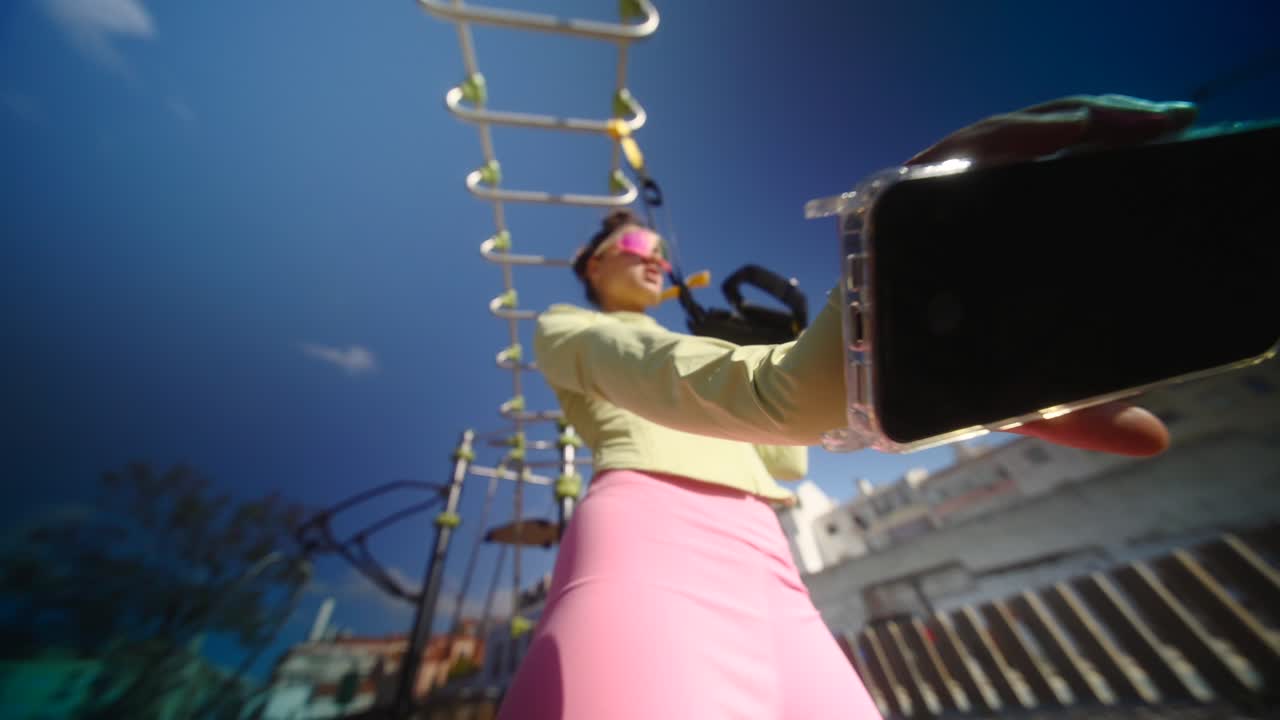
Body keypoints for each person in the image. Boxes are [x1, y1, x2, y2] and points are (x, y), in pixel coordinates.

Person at [495, 95, 1193, 719]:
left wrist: (880, 369)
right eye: (639, 244)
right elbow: (779, 397)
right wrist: (892, 260)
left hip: (767, 555)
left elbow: (788, 456)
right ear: (593, 265)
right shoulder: (570, 328)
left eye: (661, 250)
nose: (656, 258)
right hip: (652, 536)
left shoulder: (693, 345)